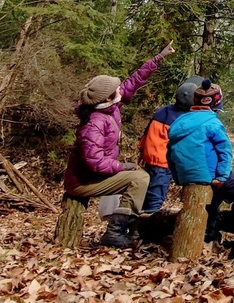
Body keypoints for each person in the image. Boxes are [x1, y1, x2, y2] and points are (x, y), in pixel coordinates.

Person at [63, 42, 175, 247]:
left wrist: (159, 57)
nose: (119, 90)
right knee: (140, 178)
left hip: (93, 175)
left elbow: (133, 81)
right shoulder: (95, 122)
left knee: (139, 176)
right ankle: (116, 231)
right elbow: (94, 162)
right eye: (115, 89)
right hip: (82, 182)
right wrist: (122, 167)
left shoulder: (109, 107)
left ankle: (130, 230)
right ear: (107, 97)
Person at [166, 78, 234, 257]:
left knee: (211, 205)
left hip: (188, 177)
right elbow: (225, 151)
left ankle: (209, 235)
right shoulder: (212, 123)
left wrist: (179, 177)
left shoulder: (177, 124)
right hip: (211, 176)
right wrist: (221, 177)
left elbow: (170, 154)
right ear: (216, 103)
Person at [138, 78, 201, 214]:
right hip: (162, 162)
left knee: (145, 193)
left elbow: (146, 132)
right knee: (155, 198)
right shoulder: (185, 120)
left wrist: (141, 150)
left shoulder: (162, 111)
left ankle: (137, 226)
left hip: (150, 158)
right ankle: (146, 230)